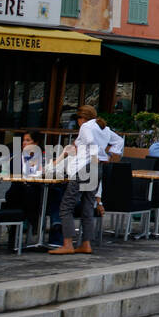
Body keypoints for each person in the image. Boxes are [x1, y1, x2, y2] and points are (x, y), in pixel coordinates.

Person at [48, 107, 108, 255]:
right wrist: (104, 156)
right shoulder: (102, 128)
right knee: (87, 207)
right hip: (97, 167)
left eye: (77, 120)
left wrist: (89, 152)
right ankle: (86, 244)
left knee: (66, 206)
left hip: (84, 168)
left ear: (81, 119)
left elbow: (90, 141)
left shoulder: (86, 127)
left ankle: (68, 244)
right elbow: (117, 141)